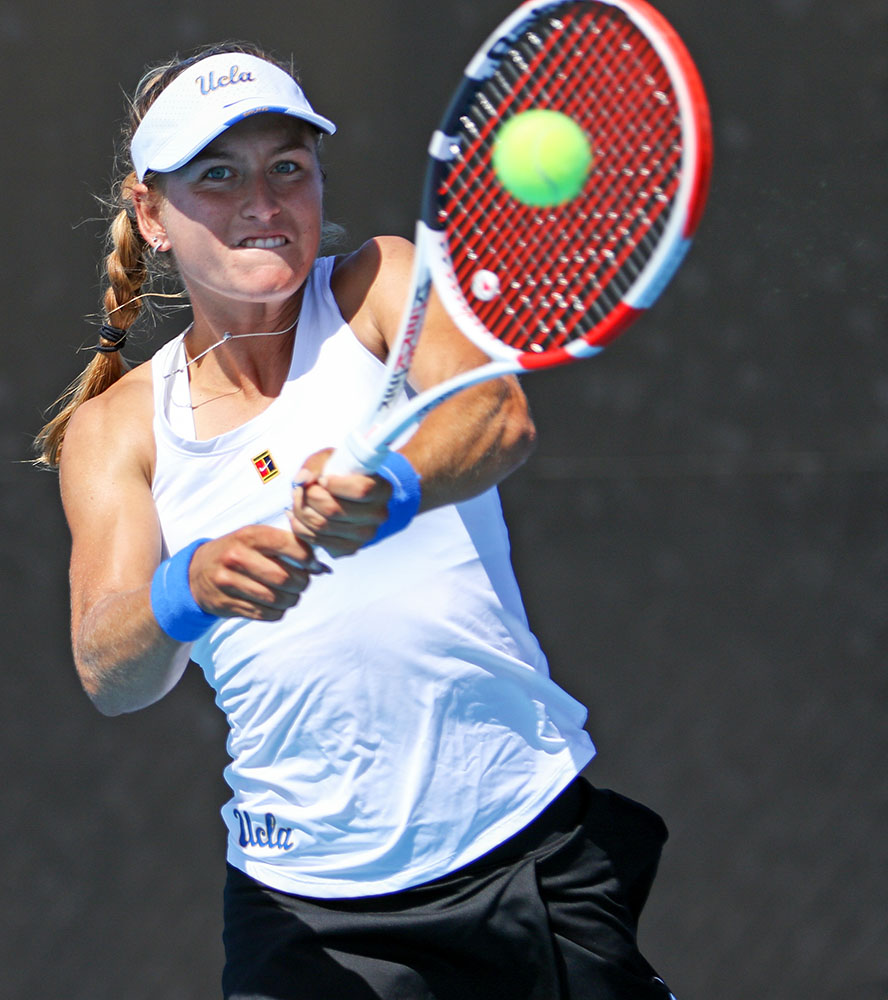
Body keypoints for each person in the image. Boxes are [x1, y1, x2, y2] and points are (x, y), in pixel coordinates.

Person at [36, 42, 676, 1000]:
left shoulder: (381, 285)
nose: (263, 202)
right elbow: (107, 668)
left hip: (520, 847)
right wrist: (188, 586)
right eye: (219, 176)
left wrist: (392, 485)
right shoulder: (115, 430)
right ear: (152, 214)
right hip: (305, 917)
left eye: (287, 167)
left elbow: (495, 416)